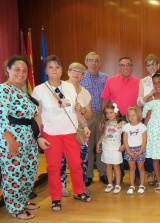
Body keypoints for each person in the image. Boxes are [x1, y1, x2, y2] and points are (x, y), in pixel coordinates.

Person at [33, 55, 92, 212]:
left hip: (70, 132)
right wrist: (38, 136)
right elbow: (37, 116)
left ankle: (79, 191)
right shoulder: (39, 90)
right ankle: (56, 198)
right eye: (50, 67)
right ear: (45, 70)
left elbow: (75, 110)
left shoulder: (69, 87)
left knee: (76, 164)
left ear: (62, 70)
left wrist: (84, 125)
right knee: (54, 167)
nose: (54, 70)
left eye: (57, 67)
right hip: (51, 133)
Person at [0, 55, 39, 220]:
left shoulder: (22, 91)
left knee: (28, 172)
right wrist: (9, 140)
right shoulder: (1, 89)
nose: (21, 73)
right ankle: (15, 208)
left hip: (27, 137)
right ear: (8, 70)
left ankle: (23, 200)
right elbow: (0, 117)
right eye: (17, 69)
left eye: (24, 70)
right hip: (10, 137)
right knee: (14, 173)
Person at [101, 56, 140, 183]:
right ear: (119, 67)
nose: (125, 67)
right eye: (122, 65)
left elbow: (142, 102)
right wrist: (103, 118)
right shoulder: (110, 81)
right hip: (116, 120)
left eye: (128, 65)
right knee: (118, 147)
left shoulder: (139, 82)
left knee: (134, 145)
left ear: (132, 67)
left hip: (132, 120)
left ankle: (137, 176)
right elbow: (105, 100)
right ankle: (120, 176)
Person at [60, 63, 92, 197]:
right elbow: (64, 109)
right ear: (68, 72)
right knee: (62, 160)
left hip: (79, 131)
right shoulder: (60, 89)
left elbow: (89, 114)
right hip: (62, 129)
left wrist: (82, 109)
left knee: (81, 160)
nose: (76, 74)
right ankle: (62, 186)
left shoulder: (85, 92)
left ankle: (80, 184)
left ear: (83, 76)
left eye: (80, 72)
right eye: (74, 70)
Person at [79, 52, 110, 187]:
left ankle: (103, 173)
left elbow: (107, 98)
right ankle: (89, 175)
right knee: (89, 147)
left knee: (102, 146)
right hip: (86, 117)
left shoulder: (105, 78)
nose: (93, 63)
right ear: (86, 62)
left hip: (101, 116)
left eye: (96, 60)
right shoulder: (80, 78)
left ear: (100, 63)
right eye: (90, 60)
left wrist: (105, 116)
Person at [137, 54, 160, 186]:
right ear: (146, 68)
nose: (152, 67)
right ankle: (150, 173)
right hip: (147, 117)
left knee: (159, 145)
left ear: (158, 65)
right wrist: (150, 94)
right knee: (148, 145)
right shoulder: (143, 81)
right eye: (149, 65)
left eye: (154, 64)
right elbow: (139, 101)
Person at [97, 103, 125, 194]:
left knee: (116, 166)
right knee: (108, 165)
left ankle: (117, 184)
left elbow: (126, 135)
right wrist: (98, 144)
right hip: (106, 148)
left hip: (116, 148)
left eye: (111, 112)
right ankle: (110, 183)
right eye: (107, 113)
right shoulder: (106, 123)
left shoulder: (121, 123)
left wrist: (124, 145)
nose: (109, 115)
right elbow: (104, 135)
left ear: (116, 112)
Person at [122, 106, 147, 195]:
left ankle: (142, 185)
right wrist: (128, 151)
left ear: (138, 115)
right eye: (129, 115)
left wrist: (140, 151)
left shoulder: (142, 126)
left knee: (141, 168)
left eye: (134, 115)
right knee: (132, 168)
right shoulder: (126, 127)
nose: (131, 117)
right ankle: (132, 185)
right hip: (130, 149)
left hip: (140, 149)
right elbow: (125, 140)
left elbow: (144, 140)